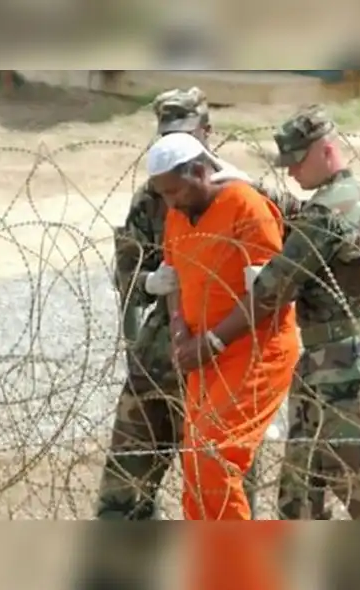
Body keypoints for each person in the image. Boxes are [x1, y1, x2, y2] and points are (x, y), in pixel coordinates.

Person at [174, 106, 360, 519]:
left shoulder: (331, 212)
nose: (291, 170)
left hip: (350, 368)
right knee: (298, 498)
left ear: (326, 150)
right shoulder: (344, 199)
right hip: (329, 366)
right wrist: (254, 186)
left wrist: (216, 336)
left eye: (297, 160)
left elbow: (274, 287)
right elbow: (302, 213)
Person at [97, 86, 302, 521]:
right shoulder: (154, 197)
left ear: (206, 133)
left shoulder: (246, 193)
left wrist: (214, 337)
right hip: (161, 357)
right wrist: (152, 283)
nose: (171, 198)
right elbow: (127, 270)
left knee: (220, 473)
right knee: (126, 488)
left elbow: (292, 259)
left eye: (184, 131)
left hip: (231, 355)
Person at [145, 131, 300, 521]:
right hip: (203, 353)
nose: (170, 203)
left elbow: (268, 294)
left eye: (174, 191)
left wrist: (211, 341)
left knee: (214, 458)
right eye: (163, 194)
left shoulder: (245, 206)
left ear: (200, 171)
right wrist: (180, 330)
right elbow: (175, 278)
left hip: (254, 351)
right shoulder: (179, 217)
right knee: (196, 464)